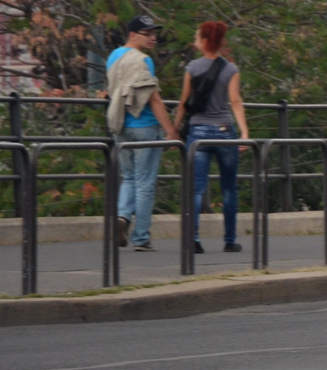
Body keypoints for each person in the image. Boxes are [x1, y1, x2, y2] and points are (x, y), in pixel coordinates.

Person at [105, 15, 177, 251]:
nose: (153, 38)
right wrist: (170, 131)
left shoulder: (113, 57)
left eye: (154, 33)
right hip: (145, 127)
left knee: (129, 177)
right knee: (145, 183)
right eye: (147, 34)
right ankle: (141, 238)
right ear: (133, 34)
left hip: (121, 126)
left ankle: (122, 217)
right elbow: (154, 99)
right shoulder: (144, 61)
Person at [178, 21, 249, 253]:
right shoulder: (230, 69)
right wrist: (244, 132)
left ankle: (194, 240)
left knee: (196, 188)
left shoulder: (192, 68)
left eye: (197, 37)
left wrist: (174, 129)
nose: (194, 40)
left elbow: (184, 103)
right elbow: (235, 102)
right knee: (229, 188)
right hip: (224, 131)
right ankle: (229, 240)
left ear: (205, 41)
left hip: (198, 133)